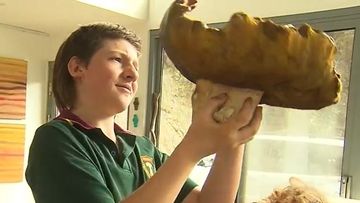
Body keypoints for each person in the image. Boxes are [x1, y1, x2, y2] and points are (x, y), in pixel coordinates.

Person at [25, 2, 263, 203]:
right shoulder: (55, 139)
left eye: (136, 66)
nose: (133, 74)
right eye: (118, 59)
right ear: (77, 68)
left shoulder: (141, 148)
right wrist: (192, 148)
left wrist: (236, 134)